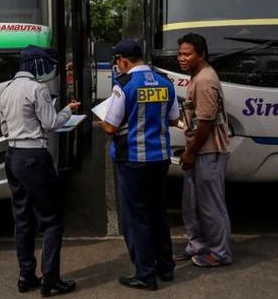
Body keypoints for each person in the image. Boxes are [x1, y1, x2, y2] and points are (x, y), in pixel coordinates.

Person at [0, 45, 80, 296]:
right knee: (52, 220)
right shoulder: (37, 89)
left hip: (12, 155)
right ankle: (51, 278)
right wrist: (69, 110)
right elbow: (50, 123)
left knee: (23, 218)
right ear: (34, 64)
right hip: (34, 156)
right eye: (45, 63)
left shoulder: (6, 90)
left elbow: (3, 129)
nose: (48, 68)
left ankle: (26, 275)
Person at [100, 39, 179, 290]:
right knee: (158, 213)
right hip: (161, 158)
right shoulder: (166, 83)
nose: (117, 67)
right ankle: (166, 267)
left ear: (123, 61)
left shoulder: (124, 85)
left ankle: (145, 274)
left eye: (117, 62)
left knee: (136, 218)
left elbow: (110, 126)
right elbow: (175, 119)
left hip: (133, 160)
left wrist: (103, 121)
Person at [176, 32, 233, 268]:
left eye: (187, 54)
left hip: (208, 151)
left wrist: (190, 153)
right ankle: (197, 245)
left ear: (201, 54)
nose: (182, 58)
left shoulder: (205, 80)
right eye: (180, 54)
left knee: (210, 206)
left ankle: (220, 253)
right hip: (197, 150)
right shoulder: (196, 77)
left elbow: (206, 123)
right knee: (192, 203)